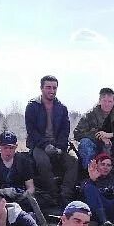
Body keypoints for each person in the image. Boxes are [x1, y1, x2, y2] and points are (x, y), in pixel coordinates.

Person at [24, 75, 78, 205]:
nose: (52, 91)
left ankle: (66, 194)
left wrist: (60, 147)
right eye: (48, 87)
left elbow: (65, 130)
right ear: (41, 88)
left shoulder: (61, 108)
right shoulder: (32, 106)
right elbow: (32, 131)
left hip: (59, 144)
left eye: (54, 88)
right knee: (43, 162)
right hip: (39, 144)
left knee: (74, 160)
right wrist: (46, 145)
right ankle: (53, 194)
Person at [0, 130, 47, 226]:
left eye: (11, 148)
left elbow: (31, 187)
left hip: (18, 198)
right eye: (5, 147)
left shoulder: (23, 162)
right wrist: (2, 194)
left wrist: (23, 195)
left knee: (33, 206)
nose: (8, 151)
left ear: (16, 147)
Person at [73, 88, 114, 180]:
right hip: (97, 146)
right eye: (104, 101)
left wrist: (111, 134)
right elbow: (77, 133)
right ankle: (88, 175)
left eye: (110, 101)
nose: (107, 104)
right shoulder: (90, 115)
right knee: (85, 143)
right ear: (99, 101)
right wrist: (99, 136)